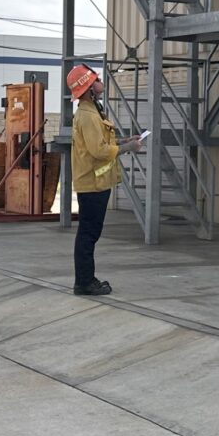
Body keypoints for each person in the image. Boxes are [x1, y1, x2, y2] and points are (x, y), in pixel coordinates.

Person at [68, 64, 142, 296]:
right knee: (88, 234)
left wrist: (123, 141)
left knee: (89, 233)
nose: (101, 83)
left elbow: (101, 143)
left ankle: (86, 279)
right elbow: (99, 151)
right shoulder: (88, 116)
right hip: (93, 185)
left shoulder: (92, 111)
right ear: (89, 89)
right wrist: (129, 148)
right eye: (96, 81)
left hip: (96, 183)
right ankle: (84, 282)